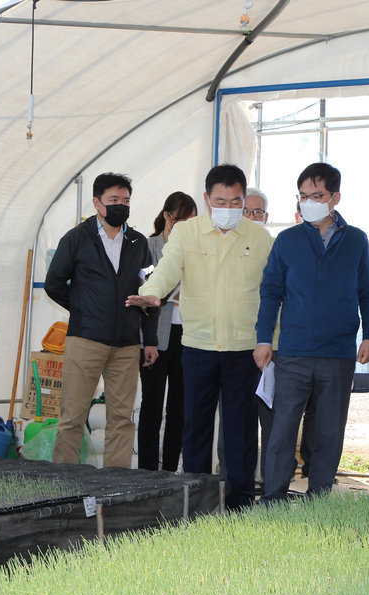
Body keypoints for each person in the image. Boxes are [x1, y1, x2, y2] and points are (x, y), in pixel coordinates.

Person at [127, 164, 273, 510]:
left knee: (240, 432)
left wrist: (270, 341)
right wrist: (153, 293)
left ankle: (240, 504)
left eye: (235, 201)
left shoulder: (260, 238)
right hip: (197, 347)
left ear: (243, 199)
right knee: (196, 429)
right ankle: (196, 504)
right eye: (220, 201)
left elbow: (273, 293)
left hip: (243, 349)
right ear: (207, 200)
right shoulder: (186, 233)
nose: (228, 209)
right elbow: (167, 268)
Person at [255, 163, 369, 501]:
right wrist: (264, 339)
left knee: (328, 431)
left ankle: (319, 497)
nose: (309, 201)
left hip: (338, 353)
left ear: (335, 197)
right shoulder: (287, 241)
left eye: (317, 195)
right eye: (304, 196)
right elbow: (270, 293)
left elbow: (368, 291)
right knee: (282, 430)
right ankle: (273, 498)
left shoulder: (356, 240)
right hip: (293, 351)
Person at [45, 173, 158, 467]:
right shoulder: (76, 239)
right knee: (73, 415)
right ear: (97, 203)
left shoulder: (138, 242)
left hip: (127, 345)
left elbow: (148, 291)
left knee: (121, 419)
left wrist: (151, 340)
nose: (121, 206)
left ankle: (115, 485)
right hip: (86, 340)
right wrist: (84, 307)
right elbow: (54, 283)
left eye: (126, 201)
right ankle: (64, 484)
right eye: (114, 200)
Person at [137, 191, 197, 472]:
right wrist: (170, 294)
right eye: (181, 220)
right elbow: (147, 289)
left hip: (188, 335)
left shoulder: (195, 249)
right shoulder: (149, 247)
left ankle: (171, 468)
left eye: (192, 222)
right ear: (167, 217)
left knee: (180, 409)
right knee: (152, 406)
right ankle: (148, 470)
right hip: (155, 336)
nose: (187, 227)